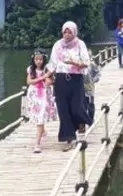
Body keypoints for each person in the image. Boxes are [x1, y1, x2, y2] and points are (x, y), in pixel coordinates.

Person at [48, 21, 91, 151]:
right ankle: (68, 138)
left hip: (75, 79)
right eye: (65, 32)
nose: (67, 35)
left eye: (69, 32)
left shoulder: (80, 44)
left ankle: (81, 122)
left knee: (76, 108)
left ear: (74, 32)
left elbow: (86, 62)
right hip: (61, 80)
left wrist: (73, 62)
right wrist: (46, 78)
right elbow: (52, 64)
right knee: (63, 109)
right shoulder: (57, 45)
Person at [26, 50, 57, 153]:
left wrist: (46, 76)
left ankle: (37, 144)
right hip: (34, 96)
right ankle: (42, 130)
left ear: (44, 60)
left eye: (40, 59)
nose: (38, 61)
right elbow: (29, 81)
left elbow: (48, 83)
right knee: (38, 116)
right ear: (33, 60)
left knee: (40, 117)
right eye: (36, 59)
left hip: (44, 96)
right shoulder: (31, 69)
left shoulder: (47, 69)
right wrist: (42, 77)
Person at [83, 50, 101, 125]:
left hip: (90, 88)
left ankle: (91, 119)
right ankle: (84, 120)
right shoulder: (78, 65)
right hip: (80, 88)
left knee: (90, 104)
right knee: (83, 104)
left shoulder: (92, 64)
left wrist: (93, 80)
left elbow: (98, 74)